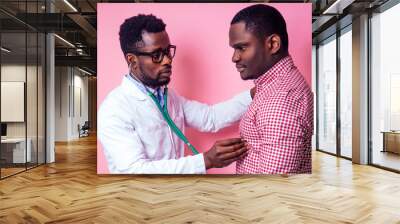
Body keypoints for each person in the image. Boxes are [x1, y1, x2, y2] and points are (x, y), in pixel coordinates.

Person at [98, 14, 252, 174]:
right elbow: (134, 170)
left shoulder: (169, 96)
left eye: (168, 52)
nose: (167, 60)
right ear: (132, 60)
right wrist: (205, 160)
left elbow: (210, 118)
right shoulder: (114, 109)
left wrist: (253, 94)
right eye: (156, 55)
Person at [229, 4, 313, 174]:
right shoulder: (275, 87)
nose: (234, 57)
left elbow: (272, 190)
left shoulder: (279, 103)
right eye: (234, 49)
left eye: (242, 47)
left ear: (273, 44)